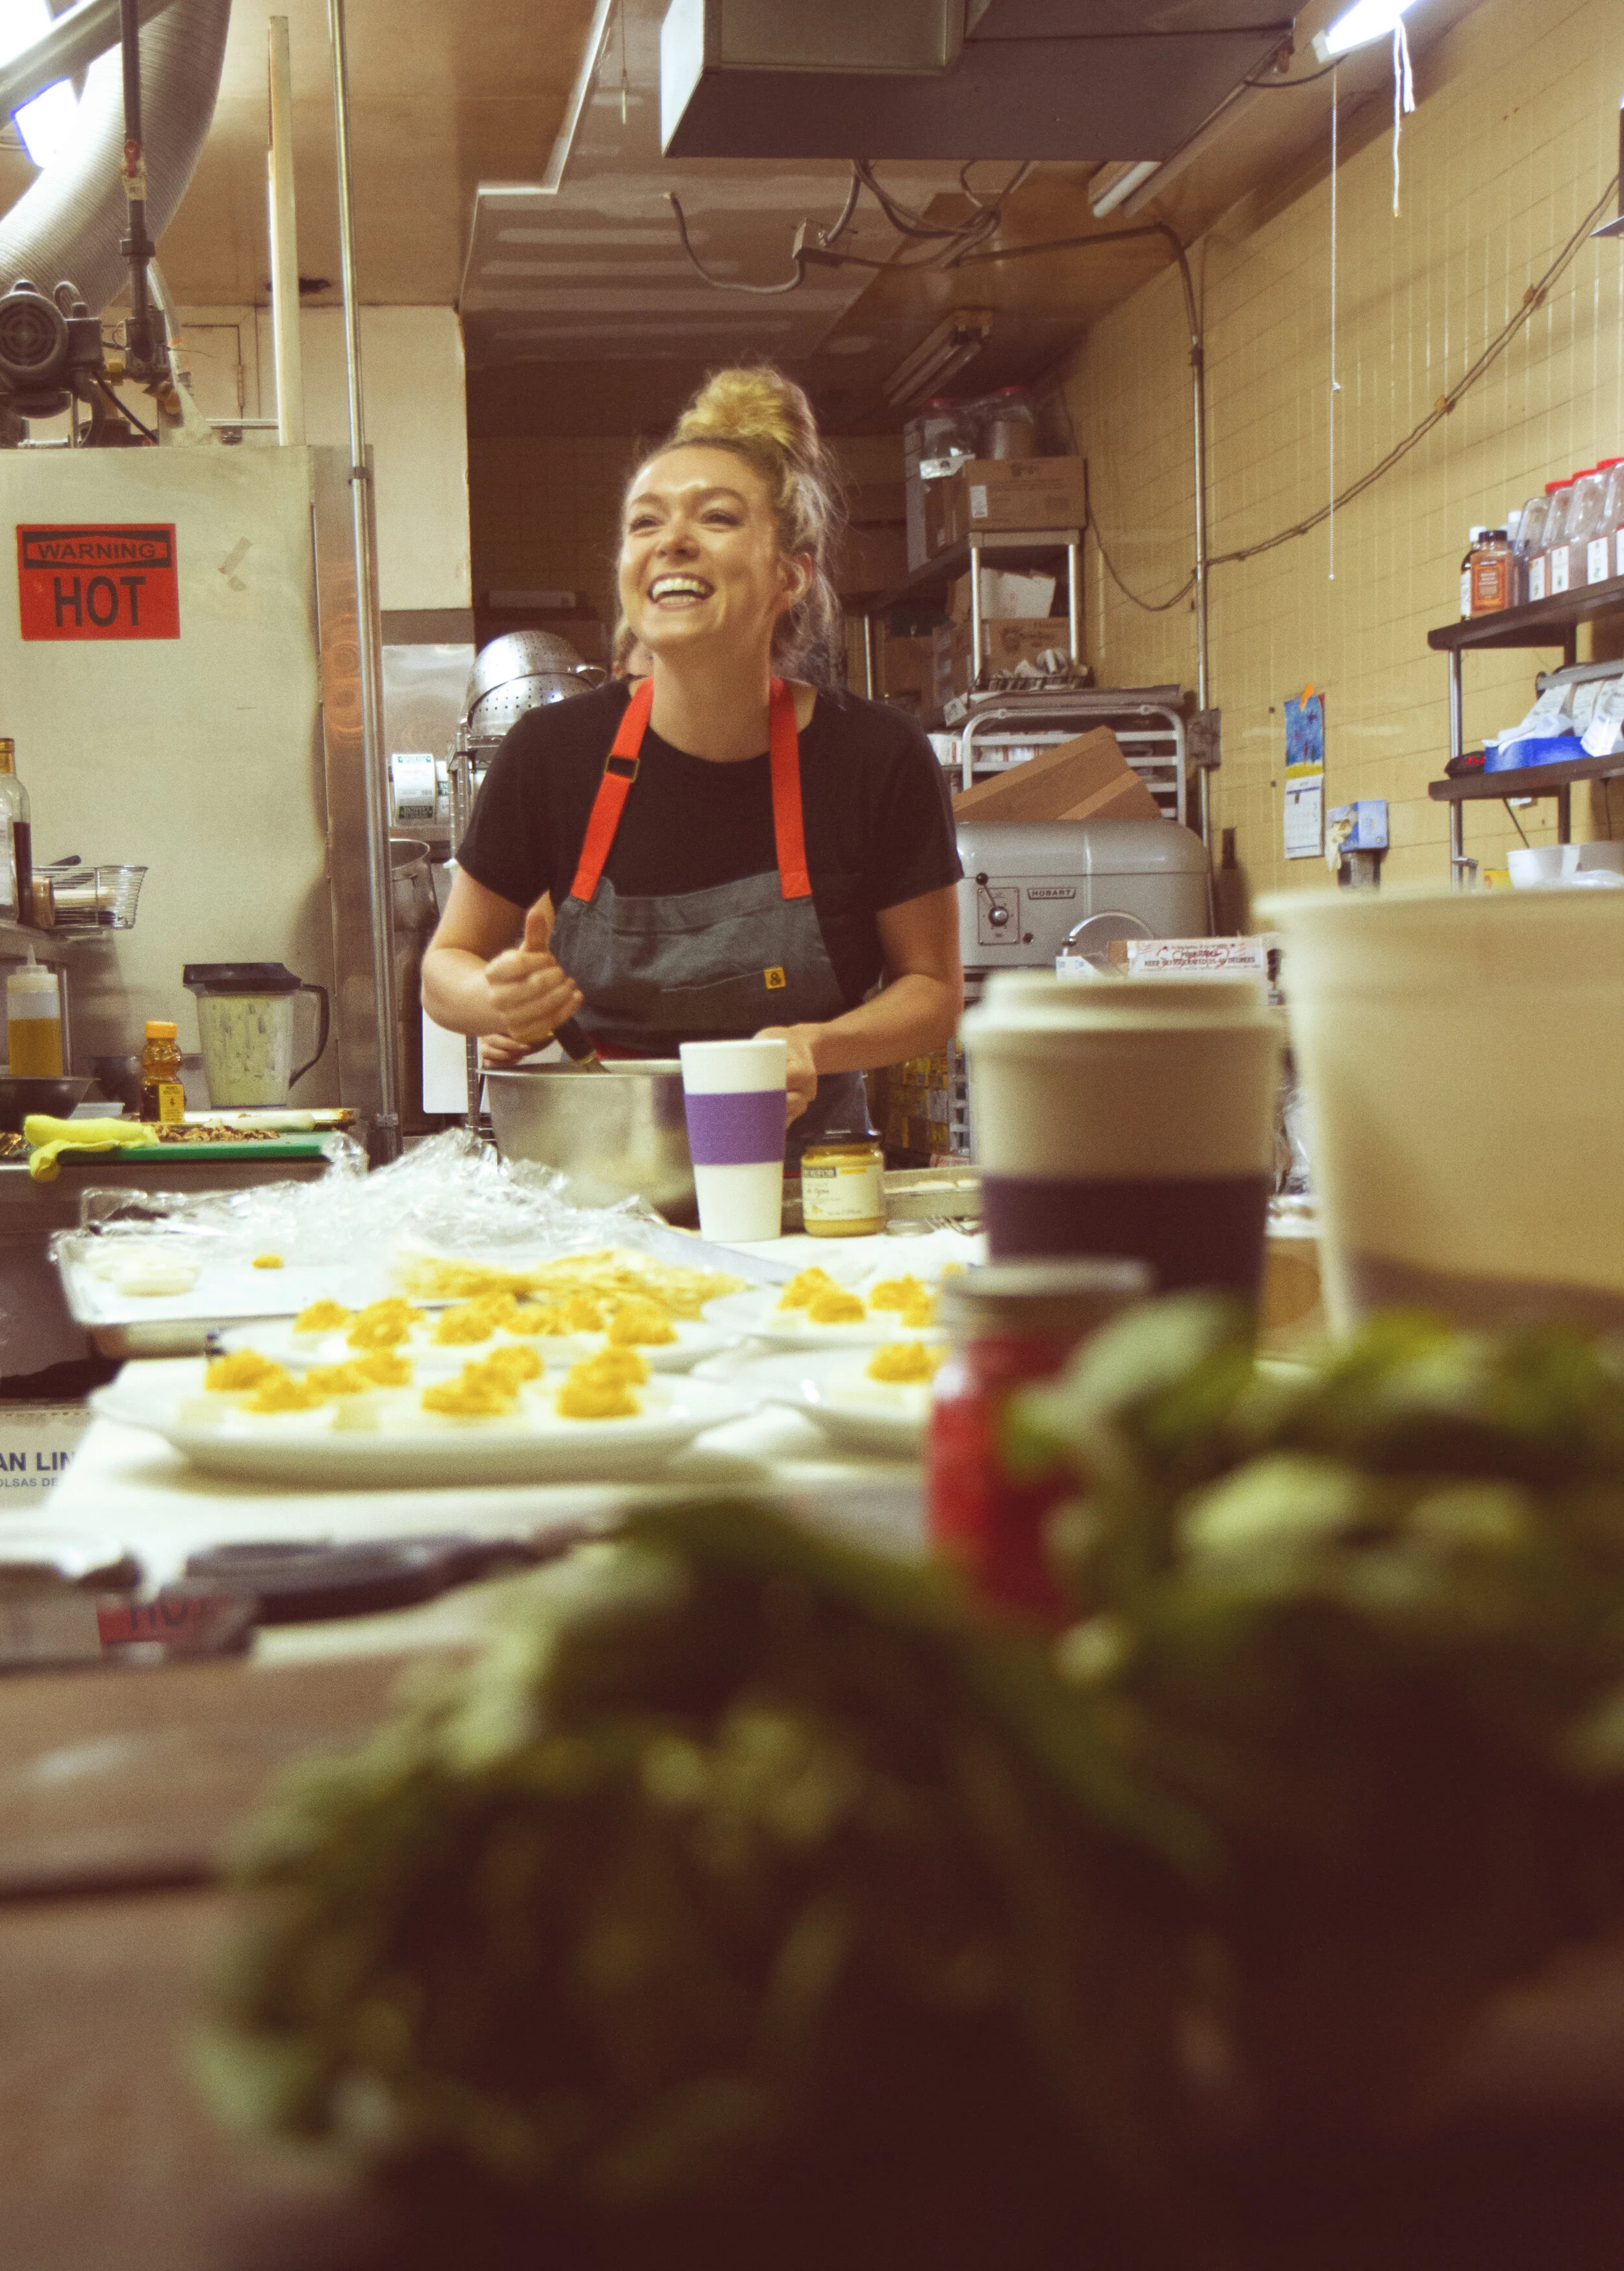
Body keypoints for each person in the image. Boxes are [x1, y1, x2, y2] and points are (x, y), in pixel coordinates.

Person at [422, 365, 964, 1154]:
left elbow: (931, 992)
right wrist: (497, 997)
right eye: (644, 524)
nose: (670, 540)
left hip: (808, 1183)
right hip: (594, 1180)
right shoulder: (552, 753)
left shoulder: (877, 756)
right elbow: (447, 968)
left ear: (790, 574)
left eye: (715, 517)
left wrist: (815, 1045)